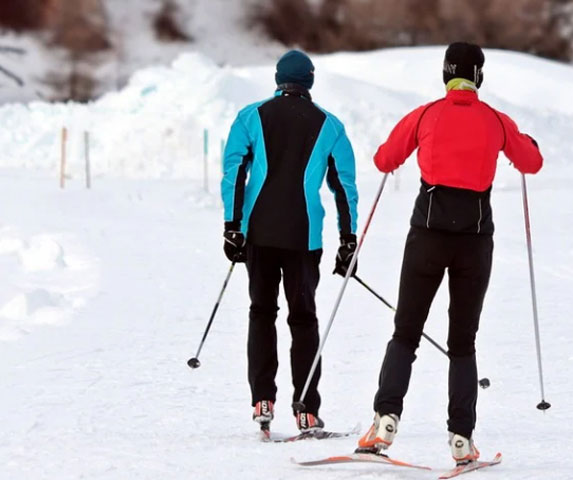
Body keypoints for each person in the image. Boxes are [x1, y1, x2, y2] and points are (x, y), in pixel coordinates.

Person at [356, 42, 543, 464]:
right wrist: (526, 141)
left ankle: (385, 419)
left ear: (445, 74)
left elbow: (384, 159)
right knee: (463, 342)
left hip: (427, 236)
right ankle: (461, 438)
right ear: (478, 76)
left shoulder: (426, 114)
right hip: (475, 242)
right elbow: (531, 162)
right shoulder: (496, 120)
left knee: (406, 330)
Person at [221, 50, 359, 433]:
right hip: (304, 237)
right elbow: (343, 188)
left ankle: (262, 399)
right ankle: (306, 409)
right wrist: (348, 240)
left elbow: (235, 172)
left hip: (259, 234)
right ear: (309, 81)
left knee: (261, 313)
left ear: (278, 79)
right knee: (303, 319)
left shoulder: (250, 116)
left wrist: (233, 226)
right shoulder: (329, 126)